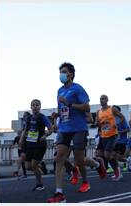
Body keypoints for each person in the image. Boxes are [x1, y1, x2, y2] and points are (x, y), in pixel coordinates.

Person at [47, 62, 91, 203]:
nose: (61, 74)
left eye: (64, 71)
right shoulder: (59, 90)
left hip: (78, 127)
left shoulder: (77, 88)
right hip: (64, 128)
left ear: (71, 74)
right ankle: (59, 193)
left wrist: (69, 104)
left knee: (79, 160)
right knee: (59, 158)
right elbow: (63, 110)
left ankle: (85, 181)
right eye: (60, 71)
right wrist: (57, 115)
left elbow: (87, 107)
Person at [19, 99, 53, 191]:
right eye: (33, 105)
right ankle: (41, 166)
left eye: (37, 105)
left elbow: (51, 129)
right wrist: (21, 142)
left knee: (33, 165)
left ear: (40, 107)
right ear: (30, 107)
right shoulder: (28, 118)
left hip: (40, 144)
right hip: (30, 144)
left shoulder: (43, 117)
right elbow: (25, 130)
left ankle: (40, 184)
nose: (35, 107)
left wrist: (45, 135)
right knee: (28, 167)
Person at [95, 95, 126, 181]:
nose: (102, 100)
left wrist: (116, 124)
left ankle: (117, 172)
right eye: (100, 99)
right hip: (103, 135)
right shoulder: (99, 112)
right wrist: (98, 124)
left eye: (103, 98)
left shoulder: (112, 109)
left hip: (112, 135)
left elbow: (122, 117)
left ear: (107, 100)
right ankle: (104, 170)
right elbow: (98, 123)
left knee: (107, 155)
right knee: (98, 155)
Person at [112, 105, 130, 175]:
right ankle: (117, 173)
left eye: (115, 110)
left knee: (118, 157)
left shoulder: (122, 119)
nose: (113, 111)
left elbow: (128, 129)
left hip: (122, 140)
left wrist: (120, 132)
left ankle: (127, 160)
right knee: (113, 156)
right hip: (115, 141)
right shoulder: (112, 119)